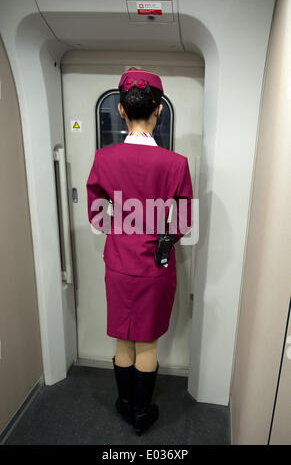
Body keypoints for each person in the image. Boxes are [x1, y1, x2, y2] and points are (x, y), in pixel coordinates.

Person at [86, 67, 193, 435]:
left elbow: (97, 217)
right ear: (159, 110)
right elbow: (183, 221)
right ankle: (142, 415)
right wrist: (163, 238)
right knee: (147, 343)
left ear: (120, 110)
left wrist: (117, 229)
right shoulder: (176, 164)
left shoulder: (104, 159)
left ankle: (125, 404)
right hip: (155, 264)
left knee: (122, 337)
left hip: (118, 261)